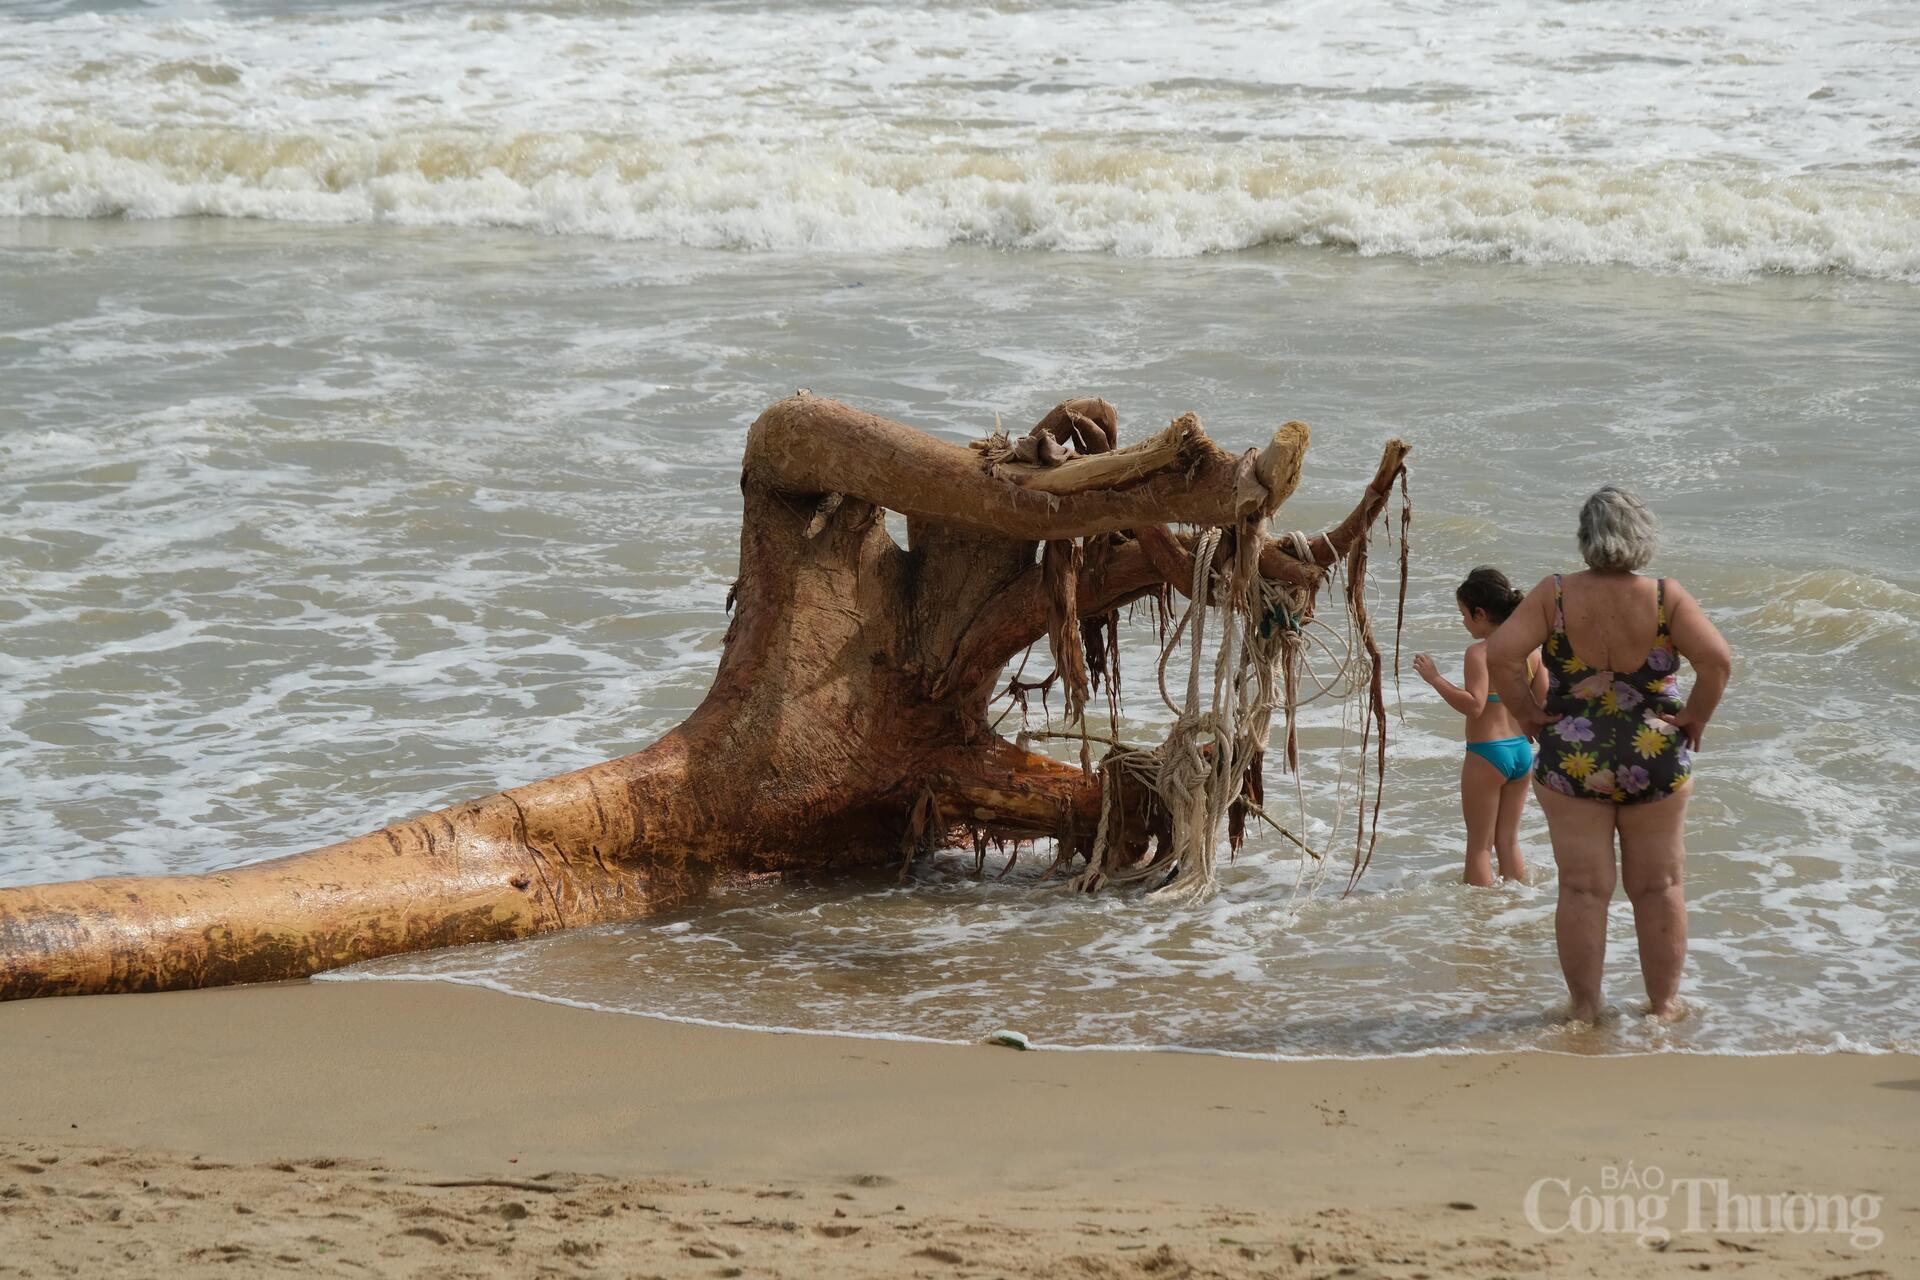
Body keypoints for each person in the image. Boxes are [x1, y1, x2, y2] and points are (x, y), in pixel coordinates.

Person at [1486, 487, 1732, 1023]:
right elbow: (1716, 661)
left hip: (1574, 755)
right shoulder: (1667, 596)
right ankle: (1664, 1008)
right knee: (1660, 885)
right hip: (1655, 755)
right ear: (1642, 536)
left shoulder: (1553, 594)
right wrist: (1695, 717)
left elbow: (1503, 654)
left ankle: (1586, 1008)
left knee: (1581, 887)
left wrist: (1528, 714)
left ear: (1585, 538)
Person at [1413, 568, 1546, 886]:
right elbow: (1540, 704)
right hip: (1520, 754)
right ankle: (1519, 908)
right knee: (1509, 841)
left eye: (1463, 614)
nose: (1462, 622)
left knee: (1479, 849)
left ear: (1481, 613)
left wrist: (1434, 678)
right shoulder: (1532, 651)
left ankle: (1481, 926)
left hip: (1488, 753)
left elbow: (1474, 705)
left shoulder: (1479, 652)